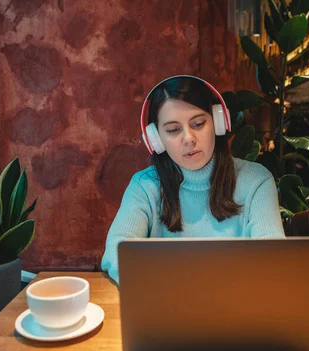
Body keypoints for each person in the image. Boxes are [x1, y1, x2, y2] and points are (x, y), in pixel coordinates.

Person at [101, 75, 285, 284]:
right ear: (156, 139)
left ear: (217, 123)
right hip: (165, 307)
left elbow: (273, 257)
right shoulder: (144, 187)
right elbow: (118, 250)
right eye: (173, 130)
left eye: (198, 124)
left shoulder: (256, 181)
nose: (188, 138)